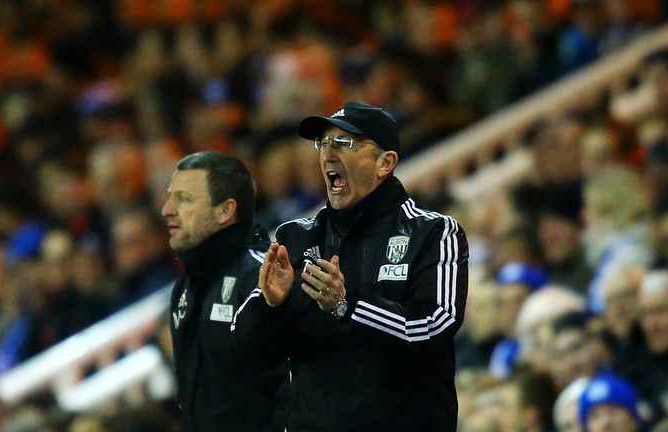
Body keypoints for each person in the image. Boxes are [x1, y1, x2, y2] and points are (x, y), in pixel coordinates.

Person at [231, 101, 469, 431]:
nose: (328, 154)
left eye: (344, 143)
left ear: (385, 163)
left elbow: (432, 328)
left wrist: (348, 306)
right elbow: (246, 353)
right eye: (323, 143)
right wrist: (269, 307)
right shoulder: (295, 238)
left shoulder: (433, 232)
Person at [160, 151, 287, 432]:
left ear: (225, 211)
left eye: (184, 199)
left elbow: (295, 387)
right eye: (171, 196)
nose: (167, 209)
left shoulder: (261, 276)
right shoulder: (184, 289)